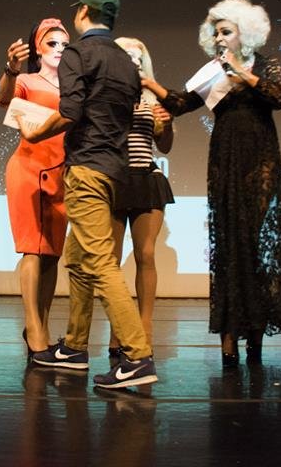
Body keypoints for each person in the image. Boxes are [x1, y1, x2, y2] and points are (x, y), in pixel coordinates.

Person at [143, 0, 281, 368]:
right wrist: (150, 84)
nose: (219, 38)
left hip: (260, 160)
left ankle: (256, 336)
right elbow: (181, 103)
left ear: (245, 33)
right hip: (225, 159)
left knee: (254, 247)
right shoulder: (211, 71)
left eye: (225, 31)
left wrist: (242, 73)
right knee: (229, 248)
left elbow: (279, 97)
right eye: (215, 33)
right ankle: (229, 340)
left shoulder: (264, 64)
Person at [17, 0, 158, 389]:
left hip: (86, 170)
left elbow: (70, 111)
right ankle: (75, 346)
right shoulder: (126, 62)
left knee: (99, 263)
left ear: (82, 12)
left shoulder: (78, 54)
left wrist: (36, 131)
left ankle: (138, 356)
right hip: (114, 171)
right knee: (78, 260)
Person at [0, 18, 70, 356]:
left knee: (52, 254)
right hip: (28, 168)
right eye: (52, 43)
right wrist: (11, 69)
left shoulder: (73, 86)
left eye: (65, 44)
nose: (59, 49)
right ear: (38, 48)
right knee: (32, 249)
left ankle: (41, 325)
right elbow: (4, 99)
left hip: (61, 173)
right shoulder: (26, 80)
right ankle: (33, 327)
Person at [107, 37, 175, 355]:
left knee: (145, 255)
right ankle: (118, 329)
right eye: (126, 55)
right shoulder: (104, 96)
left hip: (147, 179)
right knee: (111, 260)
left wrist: (168, 125)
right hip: (114, 180)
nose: (133, 61)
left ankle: (145, 328)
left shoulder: (152, 98)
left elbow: (165, 146)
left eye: (138, 56)